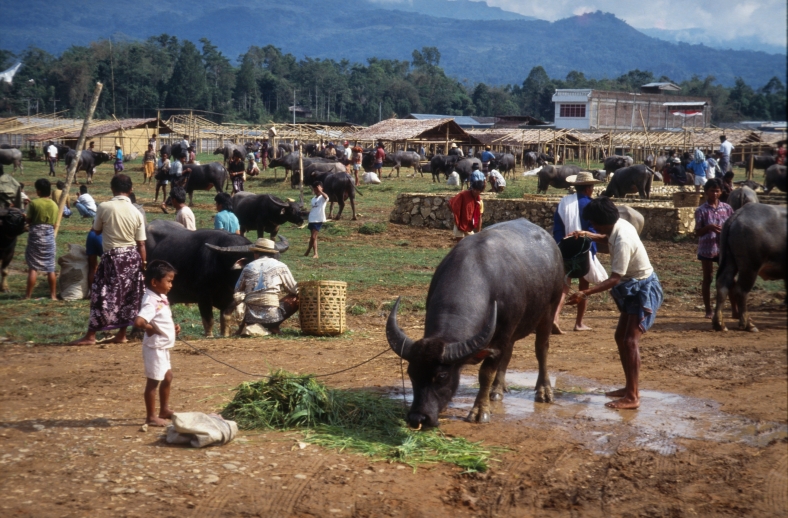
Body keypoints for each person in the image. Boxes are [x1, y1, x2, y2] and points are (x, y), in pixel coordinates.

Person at [566, 197, 663, 409]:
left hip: (642, 289)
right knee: (621, 336)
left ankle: (633, 396)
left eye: (592, 223)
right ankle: (629, 388)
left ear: (602, 221)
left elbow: (614, 279)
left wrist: (585, 293)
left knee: (630, 341)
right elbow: (605, 236)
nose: (592, 226)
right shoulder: (618, 225)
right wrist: (588, 236)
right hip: (633, 286)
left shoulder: (622, 240)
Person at [71, 174, 146, 345]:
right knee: (129, 296)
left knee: (100, 293)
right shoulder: (137, 211)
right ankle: (122, 334)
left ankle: (91, 336)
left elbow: (96, 230)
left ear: (112, 189)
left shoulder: (104, 207)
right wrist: (144, 265)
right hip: (132, 258)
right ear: (131, 189)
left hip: (113, 257)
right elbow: (141, 244)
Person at [552, 172, 608, 333]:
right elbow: (593, 228)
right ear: (589, 188)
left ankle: (555, 318)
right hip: (585, 249)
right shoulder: (592, 205)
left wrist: (561, 243)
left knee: (564, 285)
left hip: (565, 247)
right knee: (584, 285)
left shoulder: (563, 202)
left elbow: (557, 227)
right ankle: (579, 323)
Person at [134, 260, 180, 426]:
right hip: (155, 348)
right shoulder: (150, 301)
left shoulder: (160, 297)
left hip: (163, 346)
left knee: (168, 377)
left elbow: (161, 319)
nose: (171, 285)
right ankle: (151, 416)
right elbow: (139, 322)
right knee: (153, 382)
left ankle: (164, 409)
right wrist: (149, 328)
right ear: (154, 282)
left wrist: (172, 328)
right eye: (168, 281)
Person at [234, 238, 299, 335]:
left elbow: (237, 289)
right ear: (273, 254)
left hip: (250, 318)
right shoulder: (280, 266)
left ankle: (245, 326)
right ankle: (274, 327)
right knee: (296, 298)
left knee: (241, 297)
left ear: (256, 254)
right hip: (273, 318)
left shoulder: (248, 267)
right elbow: (294, 289)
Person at [695, 178, 736, 319]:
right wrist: (709, 228)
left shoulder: (727, 208)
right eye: (712, 191)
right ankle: (708, 310)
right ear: (706, 192)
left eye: (717, 191)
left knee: (730, 278)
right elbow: (698, 232)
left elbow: (733, 228)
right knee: (708, 278)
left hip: (724, 249)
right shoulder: (701, 210)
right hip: (707, 248)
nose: (714, 194)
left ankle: (735, 309)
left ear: (721, 192)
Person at [24, 178, 59, 300]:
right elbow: (54, 225)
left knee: (33, 267)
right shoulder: (54, 205)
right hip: (49, 236)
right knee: (50, 267)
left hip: (35, 236)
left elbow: (28, 220)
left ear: (38, 191)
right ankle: (53, 295)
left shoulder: (34, 203)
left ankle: (28, 296)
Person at [448, 171, 484, 240]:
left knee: (472, 242)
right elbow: (450, 203)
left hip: (468, 225)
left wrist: (479, 232)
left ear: (481, 191)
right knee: (461, 242)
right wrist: (455, 214)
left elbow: (479, 217)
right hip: (459, 222)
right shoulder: (463, 195)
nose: (475, 191)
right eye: (474, 189)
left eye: (477, 190)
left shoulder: (480, 202)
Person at [304, 181, 329, 259]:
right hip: (312, 218)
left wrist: (321, 191)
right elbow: (313, 208)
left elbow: (327, 198)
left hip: (319, 219)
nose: (316, 190)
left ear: (322, 188)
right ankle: (313, 252)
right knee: (313, 237)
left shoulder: (323, 198)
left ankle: (311, 251)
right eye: (315, 189)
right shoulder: (313, 199)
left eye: (317, 188)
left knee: (313, 237)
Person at [85, 227, 103, 295]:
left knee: (92, 267)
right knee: (109, 266)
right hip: (103, 236)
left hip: (92, 234)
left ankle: (92, 293)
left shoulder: (99, 215)